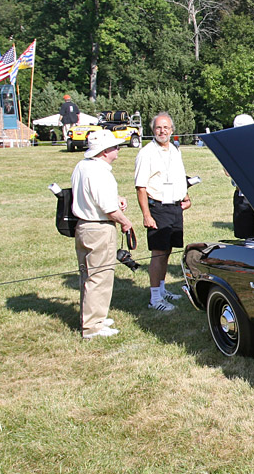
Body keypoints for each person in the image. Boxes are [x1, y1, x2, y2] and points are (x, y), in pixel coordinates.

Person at [71, 131, 134, 339]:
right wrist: (125, 222)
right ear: (105, 151)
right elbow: (108, 209)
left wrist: (117, 197)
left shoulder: (83, 166)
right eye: (115, 147)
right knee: (99, 277)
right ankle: (93, 327)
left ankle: (94, 316)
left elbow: (95, 195)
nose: (118, 150)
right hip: (99, 228)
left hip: (83, 226)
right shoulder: (99, 171)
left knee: (88, 274)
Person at [135, 112, 191, 311]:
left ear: (172, 130)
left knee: (167, 250)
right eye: (159, 127)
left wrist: (185, 197)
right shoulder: (146, 153)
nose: (162, 131)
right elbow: (140, 186)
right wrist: (147, 215)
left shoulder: (175, 150)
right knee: (158, 253)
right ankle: (155, 299)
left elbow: (178, 176)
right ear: (153, 130)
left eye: (166, 127)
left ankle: (161, 288)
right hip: (158, 207)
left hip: (174, 206)